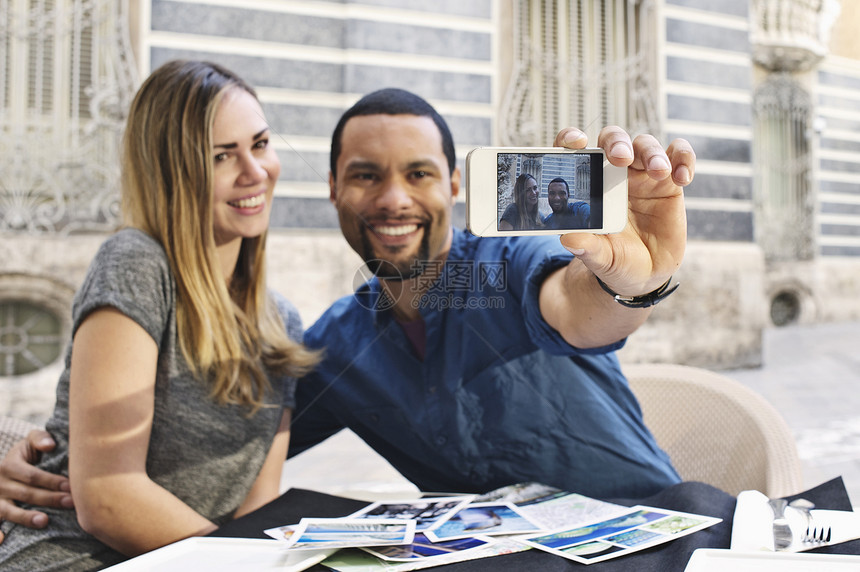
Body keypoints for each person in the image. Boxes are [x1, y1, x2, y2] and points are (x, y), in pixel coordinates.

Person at [0, 87, 695, 534]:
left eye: (419, 173)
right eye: (366, 175)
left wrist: (630, 282)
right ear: (333, 188)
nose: (393, 199)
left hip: (658, 535)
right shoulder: (333, 342)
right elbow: (197, 436)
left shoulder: (510, 265)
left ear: (454, 184)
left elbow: (579, 307)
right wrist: (25, 451)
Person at [0, 60, 318, 569]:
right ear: (175, 172)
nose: (255, 172)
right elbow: (108, 498)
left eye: (259, 144)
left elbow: (258, 516)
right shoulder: (136, 263)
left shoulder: (282, 323)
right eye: (221, 156)